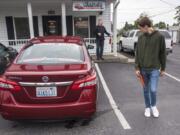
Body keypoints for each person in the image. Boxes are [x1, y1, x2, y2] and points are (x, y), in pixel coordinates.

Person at [135, 17, 166, 118]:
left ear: (146, 26)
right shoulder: (140, 37)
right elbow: (137, 53)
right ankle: (147, 107)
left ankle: (153, 106)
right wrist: (137, 68)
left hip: (154, 69)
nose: (140, 30)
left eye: (141, 28)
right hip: (143, 69)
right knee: (145, 90)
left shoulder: (159, 37)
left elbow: (162, 53)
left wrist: (163, 68)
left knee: (153, 90)